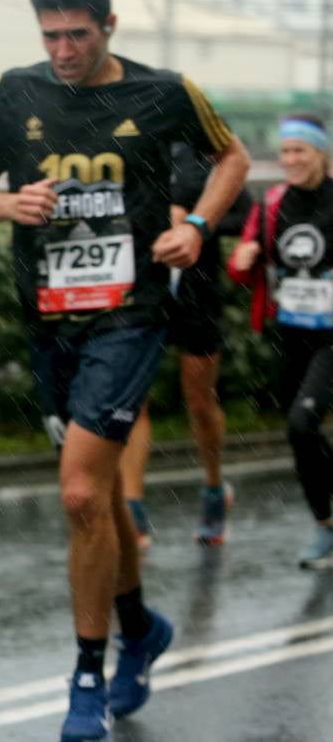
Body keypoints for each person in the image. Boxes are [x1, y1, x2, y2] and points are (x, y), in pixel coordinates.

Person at [0, 0, 249, 741]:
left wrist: (197, 227)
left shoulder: (164, 92)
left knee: (81, 493)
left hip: (131, 313)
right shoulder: (16, 92)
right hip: (51, 321)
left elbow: (233, 160)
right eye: (50, 35)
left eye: (77, 35)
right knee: (104, 494)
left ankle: (89, 668)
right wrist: (9, 202)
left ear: (109, 26)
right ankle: (139, 626)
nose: (62, 50)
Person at [120, 151, 251, 549]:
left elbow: (245, 218)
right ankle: (133, 507)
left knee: (199, 401)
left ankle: (214, 487)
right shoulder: (130, 145)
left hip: (195, 293)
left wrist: (195, 224)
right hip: (142, 289)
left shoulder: (202, 151)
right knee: (132, 401)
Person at [228, 114, 333, 568]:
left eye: (300, 152)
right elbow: (242, 270)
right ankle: (326, 523)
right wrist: (243, 257)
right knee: (299, 434)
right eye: (285, 151)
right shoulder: (272, 204)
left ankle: (324, 528)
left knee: (301, 424)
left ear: (321, 155)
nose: (290, 160)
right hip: (292, 334)